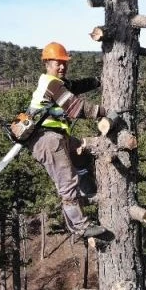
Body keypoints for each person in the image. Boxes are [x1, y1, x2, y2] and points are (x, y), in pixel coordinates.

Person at [26, 42, 107, 238]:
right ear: (47, 63)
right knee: (67, 183)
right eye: (58, 63)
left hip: (57, 137)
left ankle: (88, 190)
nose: (62, 66)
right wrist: (107, 112)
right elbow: (77, 108)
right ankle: (80, 227)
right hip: (47, 139)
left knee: (82, 151)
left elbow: (76, 86)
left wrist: (97, 81)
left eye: (64, 63)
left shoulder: (57, 83)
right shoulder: (51, 84)